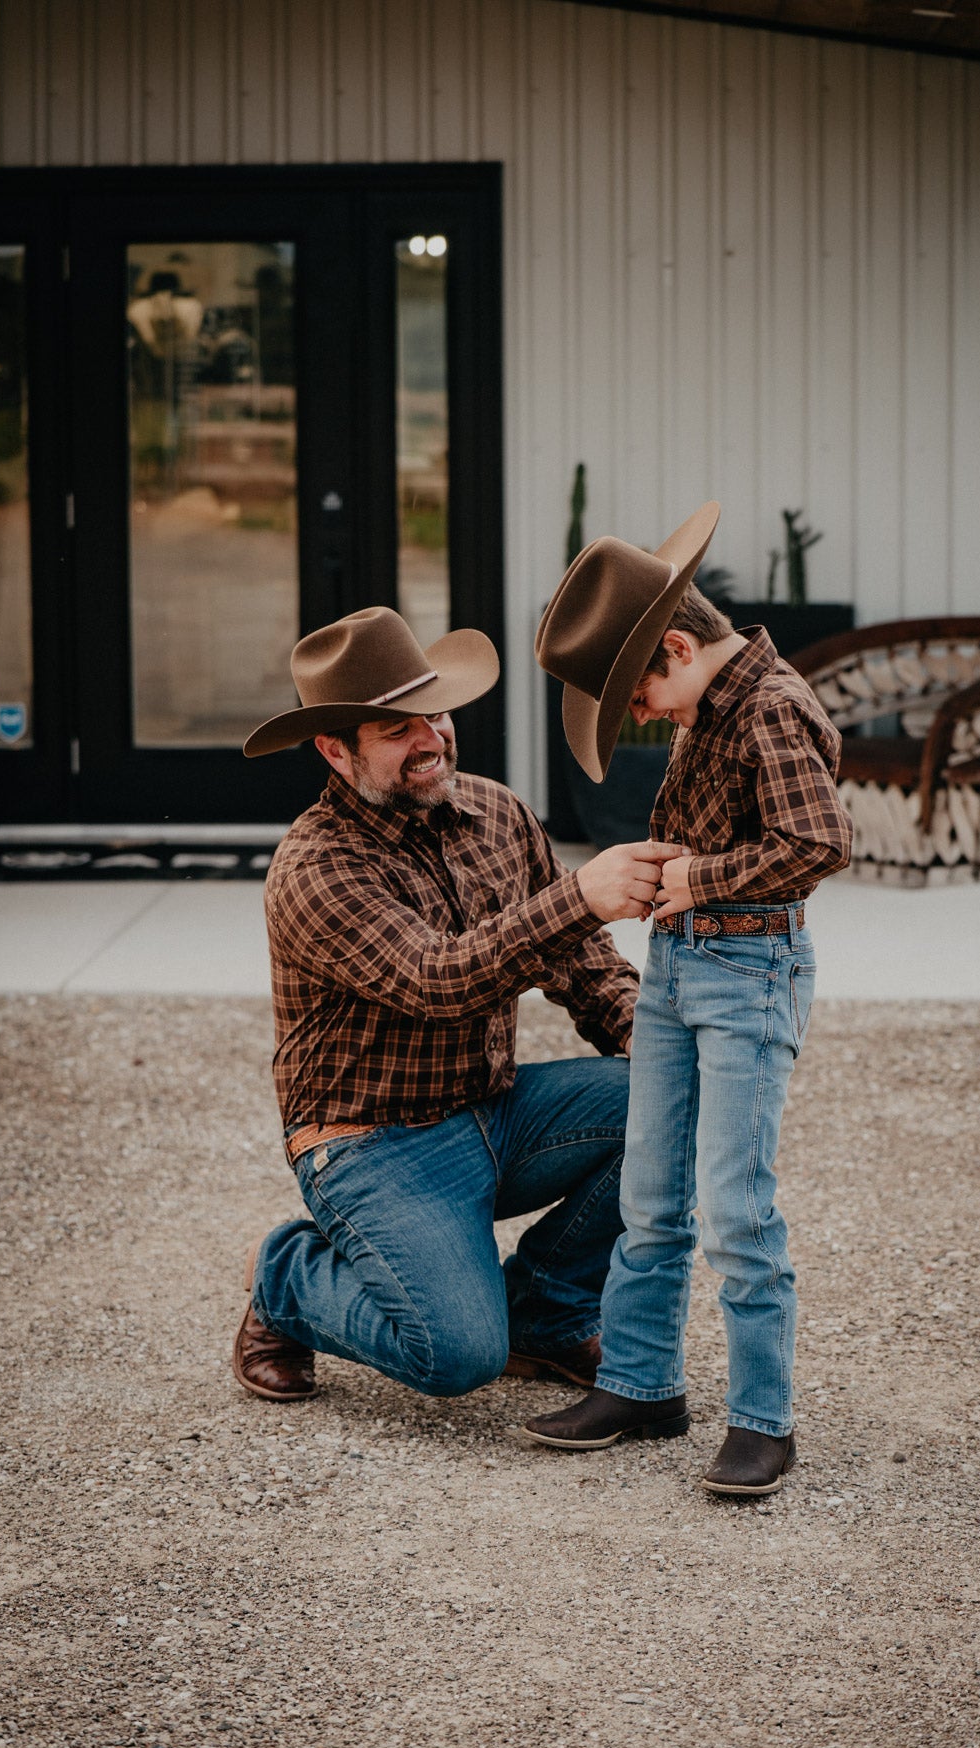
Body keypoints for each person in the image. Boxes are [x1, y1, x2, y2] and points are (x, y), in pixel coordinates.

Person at [233, 605, 678, 1407]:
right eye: (396, 729)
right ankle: (285, 1278)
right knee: (458, 1356)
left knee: (679, 1097)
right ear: (335, 750)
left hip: (493, 1112)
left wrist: (655, 1043)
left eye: (434, 713)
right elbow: (436, 980)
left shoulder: (497, 813)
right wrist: (579, 894)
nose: (430, 738)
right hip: (372, 1145)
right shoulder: (315, 868)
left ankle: (545, 1313)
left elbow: (582, 963)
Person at [526, 502, 852, 1495]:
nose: (645, 714)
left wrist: (697, 879)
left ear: (675, 647)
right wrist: (665, 882)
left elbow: (819, 842)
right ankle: (640, 1384)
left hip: (748, 973)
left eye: (641, 694)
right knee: (649, 1195)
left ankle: (763, 1420)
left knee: (737, 1211)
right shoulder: (708, 702)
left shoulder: (771, 704)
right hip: (676, 967)